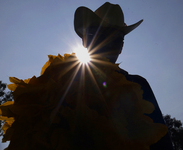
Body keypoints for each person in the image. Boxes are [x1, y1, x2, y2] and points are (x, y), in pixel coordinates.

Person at [74, 2, 173, 150]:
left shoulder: (138, 85)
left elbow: (161, 143)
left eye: (114, 38)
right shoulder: (62, 82)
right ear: (84, 41)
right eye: (96, 35)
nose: (105, 43)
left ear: (121, 46)